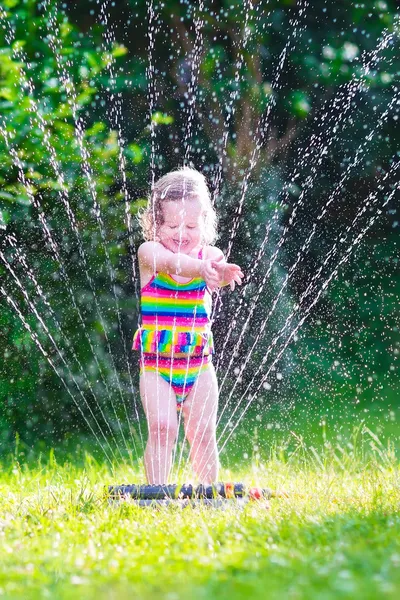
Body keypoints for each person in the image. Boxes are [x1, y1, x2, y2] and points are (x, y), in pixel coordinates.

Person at [133, 166, 243, 485]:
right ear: (155, 223)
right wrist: (203, 269)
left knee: (203, 433)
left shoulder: (211, 255)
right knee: (162, 428)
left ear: (205, 223)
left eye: (191, 225)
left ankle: (207, 495)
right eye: (172, 225)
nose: (181, 233)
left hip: (199, 365)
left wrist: (219, 274)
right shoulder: (149, 253)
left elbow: (213, 269)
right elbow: (174, 264)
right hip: (156, 367)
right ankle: (157, 494)